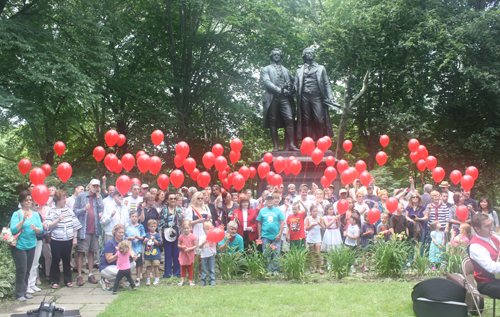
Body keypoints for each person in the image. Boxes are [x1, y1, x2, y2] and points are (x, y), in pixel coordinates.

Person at [295, 47, 338, 140]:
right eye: (308, 53)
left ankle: (321, 143)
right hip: (304, 97)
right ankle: (307, 144)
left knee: (320, 120)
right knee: (306, 120)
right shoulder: (299, 69)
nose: (310, 54)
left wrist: (330, 97)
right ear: (304, 56)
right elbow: (296, 85)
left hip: (317, 96)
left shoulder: (321, 68)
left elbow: (326, 83)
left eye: (312, 53)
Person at [45, 190, 82, 289]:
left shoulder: (69, 210)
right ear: (57, 200)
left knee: (67, 260)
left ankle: (68, 280)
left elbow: (76, 225)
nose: (65, 200)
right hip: (56, 240)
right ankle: (54, 281)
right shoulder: (51, 211)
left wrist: (74, 238)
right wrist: (58, 220)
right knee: (55, 260)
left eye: (65, 198)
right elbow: (47, 226)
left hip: (68, 240)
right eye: (63, 198)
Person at [10, 191, 43, 301]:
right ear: (21, 202)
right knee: (22, 269)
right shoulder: (17, 214)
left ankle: (25, 291)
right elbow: (13, 230)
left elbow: (41, 229)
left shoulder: (36, 214)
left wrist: (36, 229)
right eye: (26, 200)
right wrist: (23, 220)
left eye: (30, 199)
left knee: (28, 269)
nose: (29, 202)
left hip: (31, 244)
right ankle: (19, 293)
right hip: (19, 246)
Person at [73, 179, 103, 286]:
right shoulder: (81, 196)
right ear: (89, 186)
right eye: (94, 186)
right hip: (83, 229)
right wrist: (84, 209)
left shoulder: (98, 197)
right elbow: (75, 211)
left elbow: (101, 209)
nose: (95, 188)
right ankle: (79, 275)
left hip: (94, 229)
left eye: (97, 186)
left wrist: (99, 196)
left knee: (92, 252)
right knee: (81, 252)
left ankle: (91, 274)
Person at [469, 213, 500, 298]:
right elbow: (492, 267)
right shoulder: (475, 246)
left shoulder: (494, 237)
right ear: (477, 229)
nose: (491, 228)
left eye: (491, 224)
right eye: (487, 226)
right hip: (486, 283)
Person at [99, 224, 136, 291]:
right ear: (115, 233)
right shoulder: (110, 243)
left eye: (122, 233)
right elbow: (109, 260)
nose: (121, 234)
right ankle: (104, 280)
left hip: (119, 266)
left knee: (133, 264)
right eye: (119, 232)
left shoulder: (124, 241)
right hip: (107, 266)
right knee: (122, 272)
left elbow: (131, 250)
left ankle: (119, 281)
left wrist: (134, 256)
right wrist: (118, 255)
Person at [257, 195, 285, 275]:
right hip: (265, 236)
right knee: (266, 253)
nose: (269, 201)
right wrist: (259, 235)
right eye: (268, 200)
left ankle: (276, 270)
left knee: (276, 253)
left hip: (276, 236)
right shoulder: (262, 211)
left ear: (274, 201)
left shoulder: (278, 211)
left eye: (271, 200)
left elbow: (282, 222)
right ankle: (268, 270)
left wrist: (279, 234)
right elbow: (259, 223)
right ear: (265, 201)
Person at [158, 192, 183, 278]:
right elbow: (160, 224)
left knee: (176, 254)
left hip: (176, 235)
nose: (173, 200)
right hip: (166, 235)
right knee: (167, 254)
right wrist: (160, 236)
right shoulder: (164, 210)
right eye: (171, 199)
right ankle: (167, 273)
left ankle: (177, 273)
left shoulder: (179, 210)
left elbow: (182, 223)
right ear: (167, 200)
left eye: (174, 199)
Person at [26, 201, 47, 294]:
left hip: (38, 239)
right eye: (36, 205)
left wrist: (41, 227)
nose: (38, 206)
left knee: (35, 262)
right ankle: (27, 284)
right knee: (29, 262)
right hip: (29, 240)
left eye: (39, 205)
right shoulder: (26, 214)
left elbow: (41, 228)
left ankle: (32, 283)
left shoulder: (37, 215)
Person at [125, 210, 145, 286]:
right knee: (130, 263)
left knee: (138, 263)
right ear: (130, 217)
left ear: (138, 217)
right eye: (132, 216)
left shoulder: (140, 226)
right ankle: (129, 278)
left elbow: (143, 237)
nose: (134, 218)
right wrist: (130, 238)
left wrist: (138, 237)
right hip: (130, 249)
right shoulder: (127, 227)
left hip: (138, 248)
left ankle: (138, 278)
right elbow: (125, 237)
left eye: (135, 216)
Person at [177, 220, 198, 287]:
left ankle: (190, 281)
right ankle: (182, 280)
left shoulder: (193, 237)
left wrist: (189, 249)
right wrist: (182, 247)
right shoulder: (181, 237)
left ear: (190, 228)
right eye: (185, 228)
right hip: (183, 254)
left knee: (190, 268)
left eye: (187, 228)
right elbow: (178, 244)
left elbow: (195, 245)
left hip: (190, 254)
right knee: (183, 268)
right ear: (182, 229)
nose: (186, 230)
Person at [306, 205, 325, 274]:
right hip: (311, 237)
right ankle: (314, 268)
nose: (315, 213)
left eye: (316, 211)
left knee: (318, 253)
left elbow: (324, 228)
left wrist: (320, 224)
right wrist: (312, 225)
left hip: (317, 237)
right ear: (311, 212)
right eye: (314, 211)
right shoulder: (309, 218)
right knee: (312, 253)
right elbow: (306, 228)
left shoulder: (320, 218)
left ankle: (320, 267)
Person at [198, 222, 216, 286]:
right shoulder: (202, 237)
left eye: (210, 229)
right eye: (207, 229)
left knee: (211, 268)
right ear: (204, 230)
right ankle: (203, 280)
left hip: (211, 255)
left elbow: (217, 242)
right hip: (204, 255)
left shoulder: (214, 237)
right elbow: (199, 246)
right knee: (204, 269)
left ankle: (212, 280)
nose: (209, 230)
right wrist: (204, 242)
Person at [144, 219, 161, 286]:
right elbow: (144, 243)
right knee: (148, 267)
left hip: (155, 254)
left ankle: (157, 279)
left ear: (156, 227)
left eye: (154, 226)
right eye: (151, 226)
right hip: (148, 254)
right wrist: (145, 241)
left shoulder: (157, 235)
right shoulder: (146, 234)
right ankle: (148, 279)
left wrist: (154, 240)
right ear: (148, 227)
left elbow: (158, 244)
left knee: (156, 266)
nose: (153, 228)